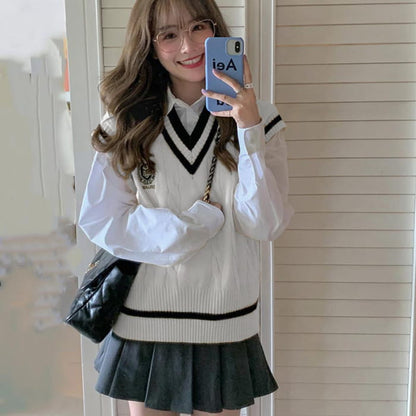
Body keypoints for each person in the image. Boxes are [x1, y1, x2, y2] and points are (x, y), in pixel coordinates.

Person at [78, 0, 294, 415]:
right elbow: (103, 220)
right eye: (169, 35)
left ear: (216, 31)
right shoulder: (127, 121)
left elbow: (265, 224)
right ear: (150, 45)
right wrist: (187, 229)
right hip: (146, 318)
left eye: (198, 27)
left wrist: (249, 129)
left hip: (225, 318)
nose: (188, 46)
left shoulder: (261, 119)